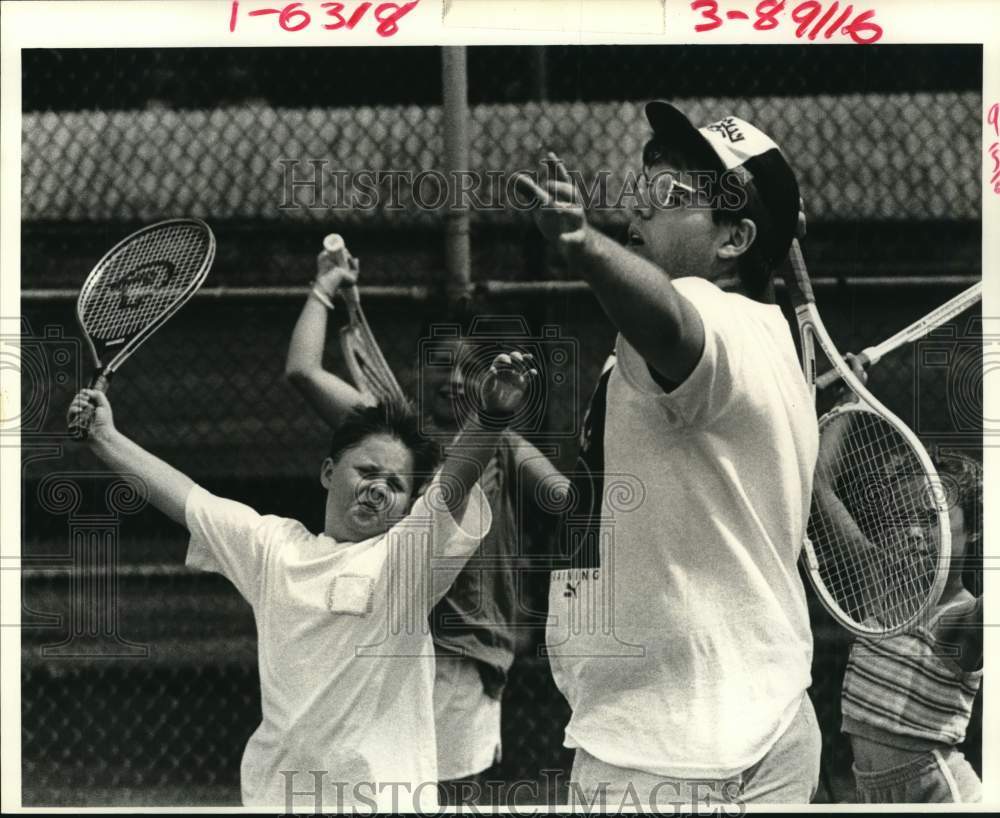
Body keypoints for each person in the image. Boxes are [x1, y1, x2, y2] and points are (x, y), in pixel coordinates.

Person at [67, 349, 537, 812]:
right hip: (279, 797)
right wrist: (105, 436)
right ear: (329, 473)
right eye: (367, 472)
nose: (377, 488)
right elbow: (190, 499)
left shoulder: (407, 559)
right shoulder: (274, 548)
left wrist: (491, 418)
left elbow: (450, 487)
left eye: (395, 485)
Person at [513, 102, 821, 806]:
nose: (637, 216)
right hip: (762, 719)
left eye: (669, 199)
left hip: (670, 752)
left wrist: (582, 245)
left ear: (733, 240)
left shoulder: (704, 320)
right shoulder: (767, 340)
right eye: (641, 196)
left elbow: (674, 318)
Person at [285, 252, 569, 803]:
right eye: (442, 363)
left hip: (466, 656)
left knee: (450, 796)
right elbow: (302, 371)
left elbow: (563, 496)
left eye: (472, 367)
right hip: (390, 646)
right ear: (420, 368)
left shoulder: (501, 444)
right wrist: (324, 288)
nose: (456, 379)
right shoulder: (396, 440)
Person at [833, 438, 984, 804]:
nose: (914, 531)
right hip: (870, 793)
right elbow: (821, 485)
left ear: (976, 527)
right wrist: (842, 401)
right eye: (904, 518)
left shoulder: (962, 618)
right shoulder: (878, 580)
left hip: (941, 795)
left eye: (932, 519)